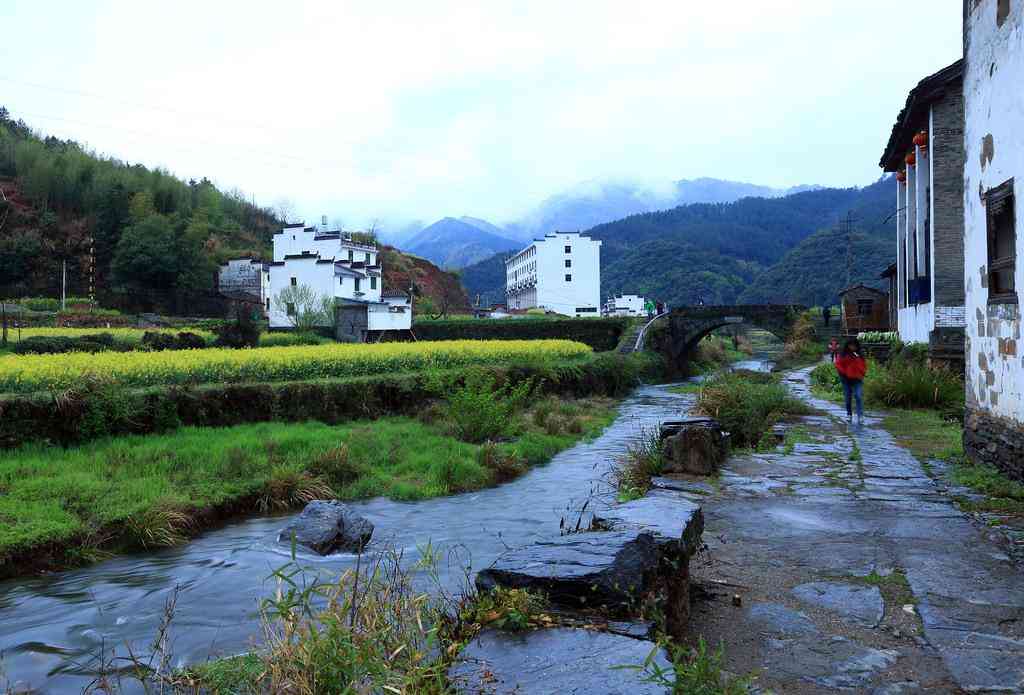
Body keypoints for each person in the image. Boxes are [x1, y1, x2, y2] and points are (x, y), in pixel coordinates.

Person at [834, 338, 867, 424]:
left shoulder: (859, 354)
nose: (852, 347)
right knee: (848, 398)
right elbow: (838, 364)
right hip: (846, 379)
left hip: (857, 379)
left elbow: (863, 365)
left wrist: (862, 373)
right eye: (851, 345)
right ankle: (849, 414)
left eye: (854, 345)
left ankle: (860, 416)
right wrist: (844, 373)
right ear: (847, 345)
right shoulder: (843, 355)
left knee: (858, 396)